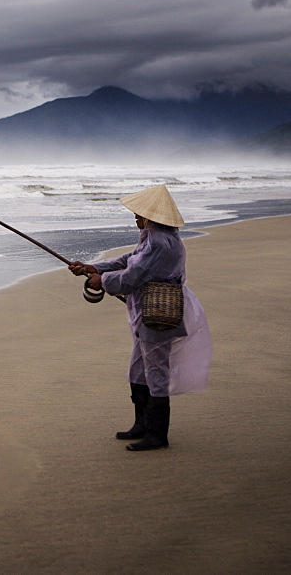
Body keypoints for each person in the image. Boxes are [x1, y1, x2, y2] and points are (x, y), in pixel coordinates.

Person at [69, 185, 212, 451]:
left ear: (151, 216)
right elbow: (130, 260)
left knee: (156, 370)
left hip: (157, 313)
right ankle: (142, 425)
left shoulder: (159, 242)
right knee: (138, 368)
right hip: (146, 311)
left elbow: (134, 276)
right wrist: (93, 267)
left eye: (138, 214)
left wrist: (103, 280)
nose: (135, 218)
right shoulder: (155, 235)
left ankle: (157, 435)